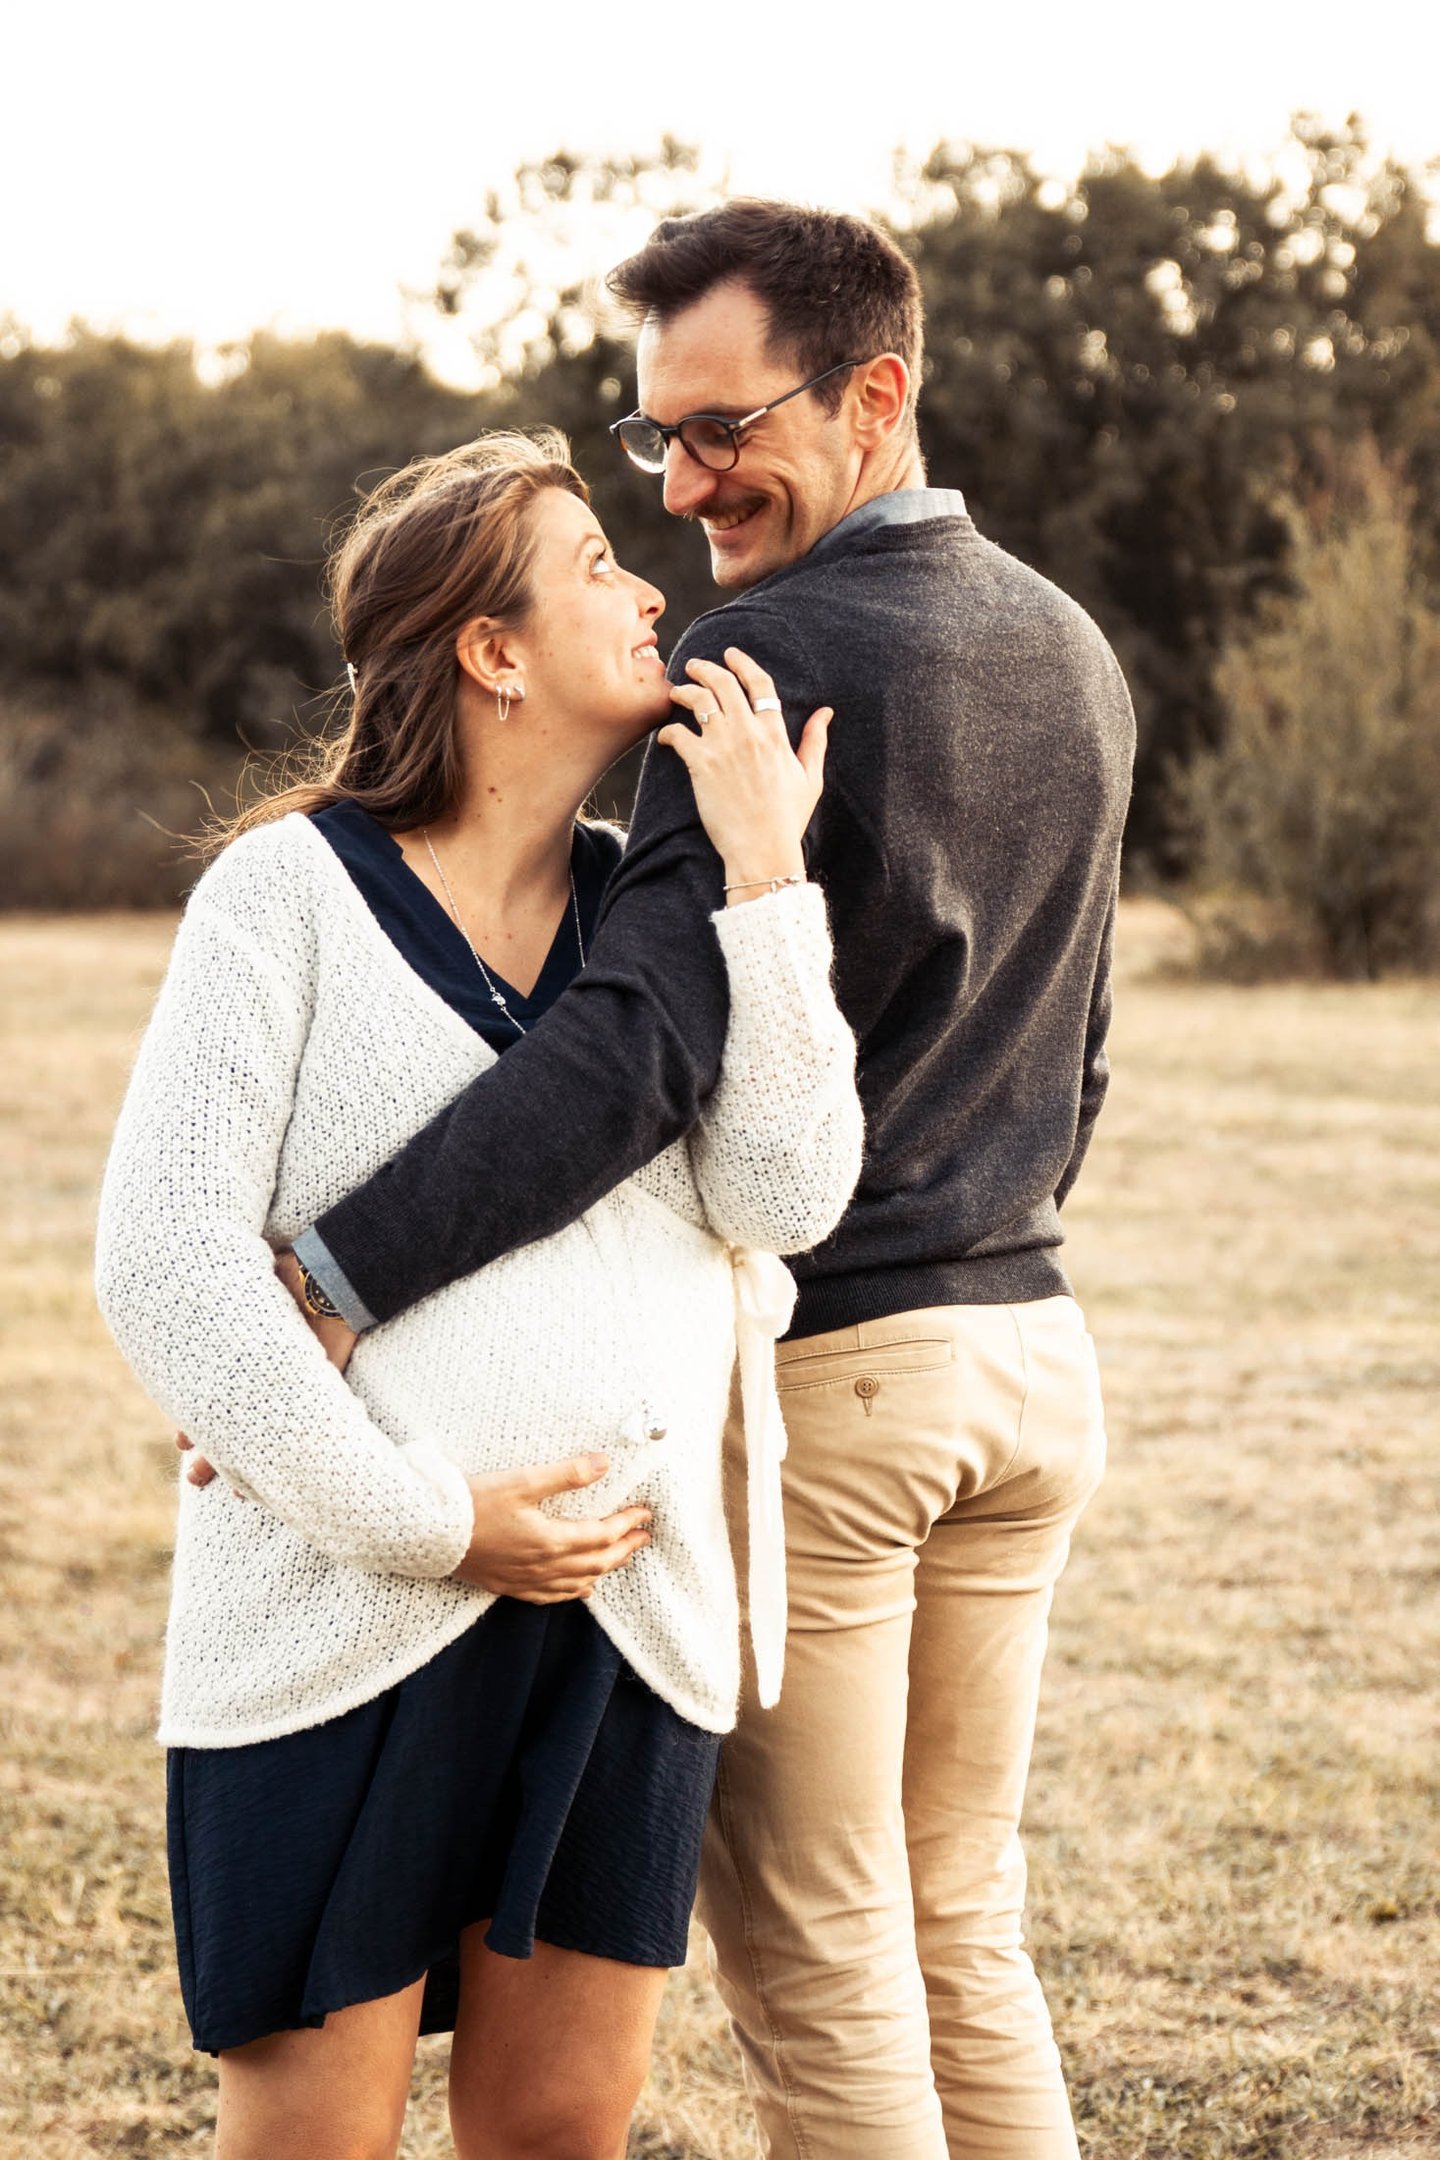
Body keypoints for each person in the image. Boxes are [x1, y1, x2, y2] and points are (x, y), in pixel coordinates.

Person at [265, 205, 1135, 2159]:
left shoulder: (763, 656)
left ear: (877, 393)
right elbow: (1080, 1055)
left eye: (723, 428)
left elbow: (632, 1055)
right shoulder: (1072, 648)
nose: (683, 482)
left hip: (835, 1390)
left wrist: (334, 1272)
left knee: (827, 1965)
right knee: (959, 1926)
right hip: (1035, 1363)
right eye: (653, 437)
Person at [94, 428, 864, 2160]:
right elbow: (166, 1259)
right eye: (594, 562)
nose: (646, 581)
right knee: (314, 2137)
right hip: (340, 1624)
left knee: (557, 2132)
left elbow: (781, 1196)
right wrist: (434, 1522)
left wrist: (767, 882)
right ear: (491, 653)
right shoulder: (283, 895)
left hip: (621, 1615)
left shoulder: (651, 909)